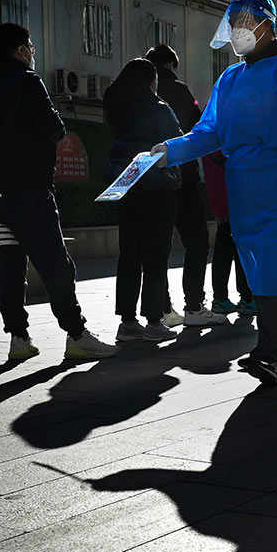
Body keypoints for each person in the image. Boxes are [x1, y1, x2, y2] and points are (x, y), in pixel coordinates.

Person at [151, 0, 277, 386]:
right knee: (258, 273)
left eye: (244, 23)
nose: (237, 32)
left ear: (266, 24)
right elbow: (209, 131)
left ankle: (271, 351)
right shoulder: (230, 78)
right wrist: (169, 151)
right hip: (242, 190)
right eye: (233, 25)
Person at [0, 23, 118, 362]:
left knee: (9, 267)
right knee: (55, 264)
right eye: (31, 47)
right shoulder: (28, 81)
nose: (33, 53)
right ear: (21, 50)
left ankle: (18, 339)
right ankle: (77, 335)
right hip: (29, 191)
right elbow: (54, 128)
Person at [144, 44, 226, 328]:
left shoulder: (137, 96)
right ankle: (193, 305)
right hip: (183, 177)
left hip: (149, 181)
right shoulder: (179, 91)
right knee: (197, 240)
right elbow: (199, 130)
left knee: (157, 246)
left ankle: (163, 309)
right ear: (170, 65)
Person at [103, 58, 184, 343]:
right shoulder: (159, 109)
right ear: (151, 81)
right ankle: (153, 320)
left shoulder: (117, 109)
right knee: (156, 255)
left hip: (127, 188)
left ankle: (127, 322)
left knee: (129, 255)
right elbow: (177, 141)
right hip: (158, 190)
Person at [204, 150, 256, 316]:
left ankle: (222, 298)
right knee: (239, 246)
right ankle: (247, 297)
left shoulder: (210, 130)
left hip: (223, 194)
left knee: (224, 246)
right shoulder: (225, 130)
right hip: (233, 194)